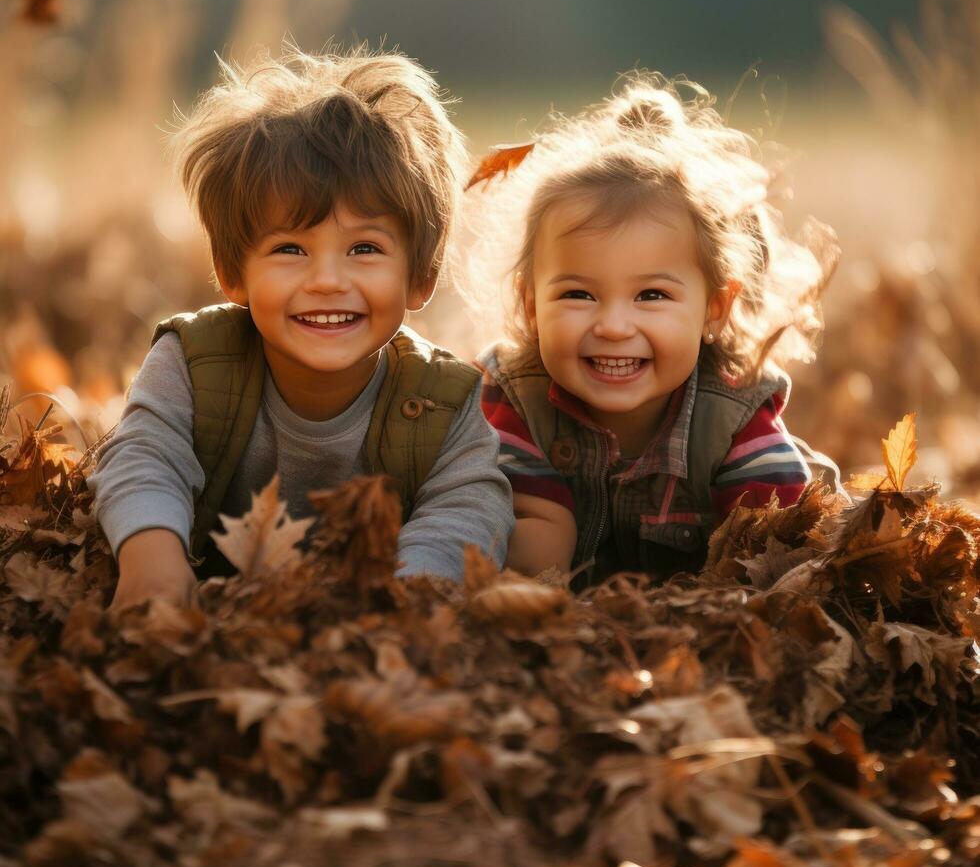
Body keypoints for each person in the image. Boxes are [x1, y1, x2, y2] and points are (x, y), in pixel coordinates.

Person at [91, 47, 514, 610]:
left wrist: (408, 598)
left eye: (364, 248)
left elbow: (468, 508)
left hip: (376, 621)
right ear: (232, 272)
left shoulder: (442, 402)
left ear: (419, 276)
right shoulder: (193, 363)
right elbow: (145, 456)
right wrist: (153, 561)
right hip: (219, 615)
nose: (326, 281)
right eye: (290, 248)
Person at [470, 75, 837, 584]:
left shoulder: (734, 421)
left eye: (651, 296)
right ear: (531, 305)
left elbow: (780, 560)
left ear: (714, 308)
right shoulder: (513, 399)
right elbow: (532, 539)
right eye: (578, 294)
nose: (615, 326)